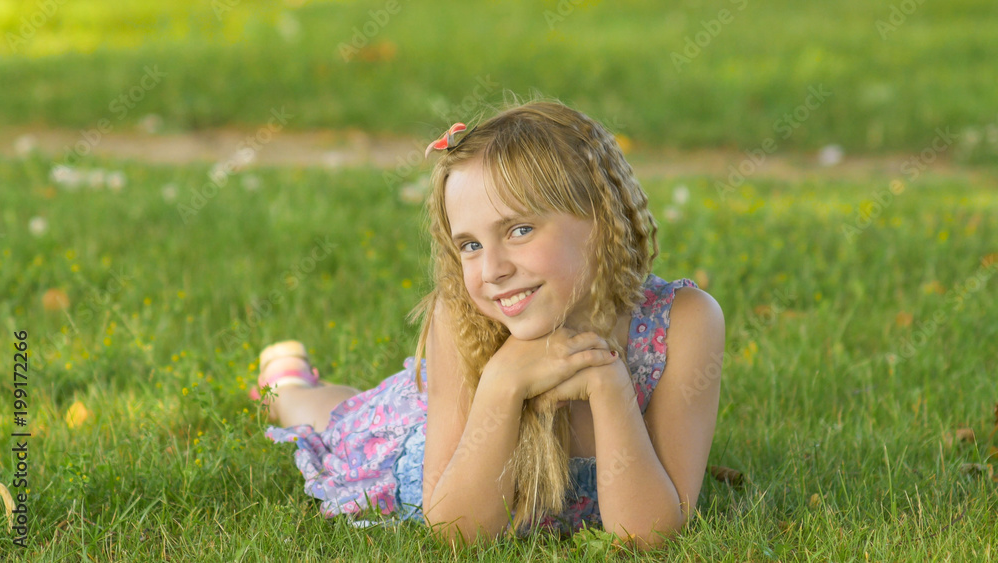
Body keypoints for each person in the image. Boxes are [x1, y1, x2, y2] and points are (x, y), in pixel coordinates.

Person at [257, 99, 725, 550]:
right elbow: (460, 532)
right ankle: (289, 381)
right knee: (334, 417)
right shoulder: (462, 316)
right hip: (428, 440)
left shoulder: (682, 322)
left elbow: (648, 534)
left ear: (600, 222)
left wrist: (609, 385)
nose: (492, 270)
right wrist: (502, 382)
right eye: (470, 245)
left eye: (519, 230)